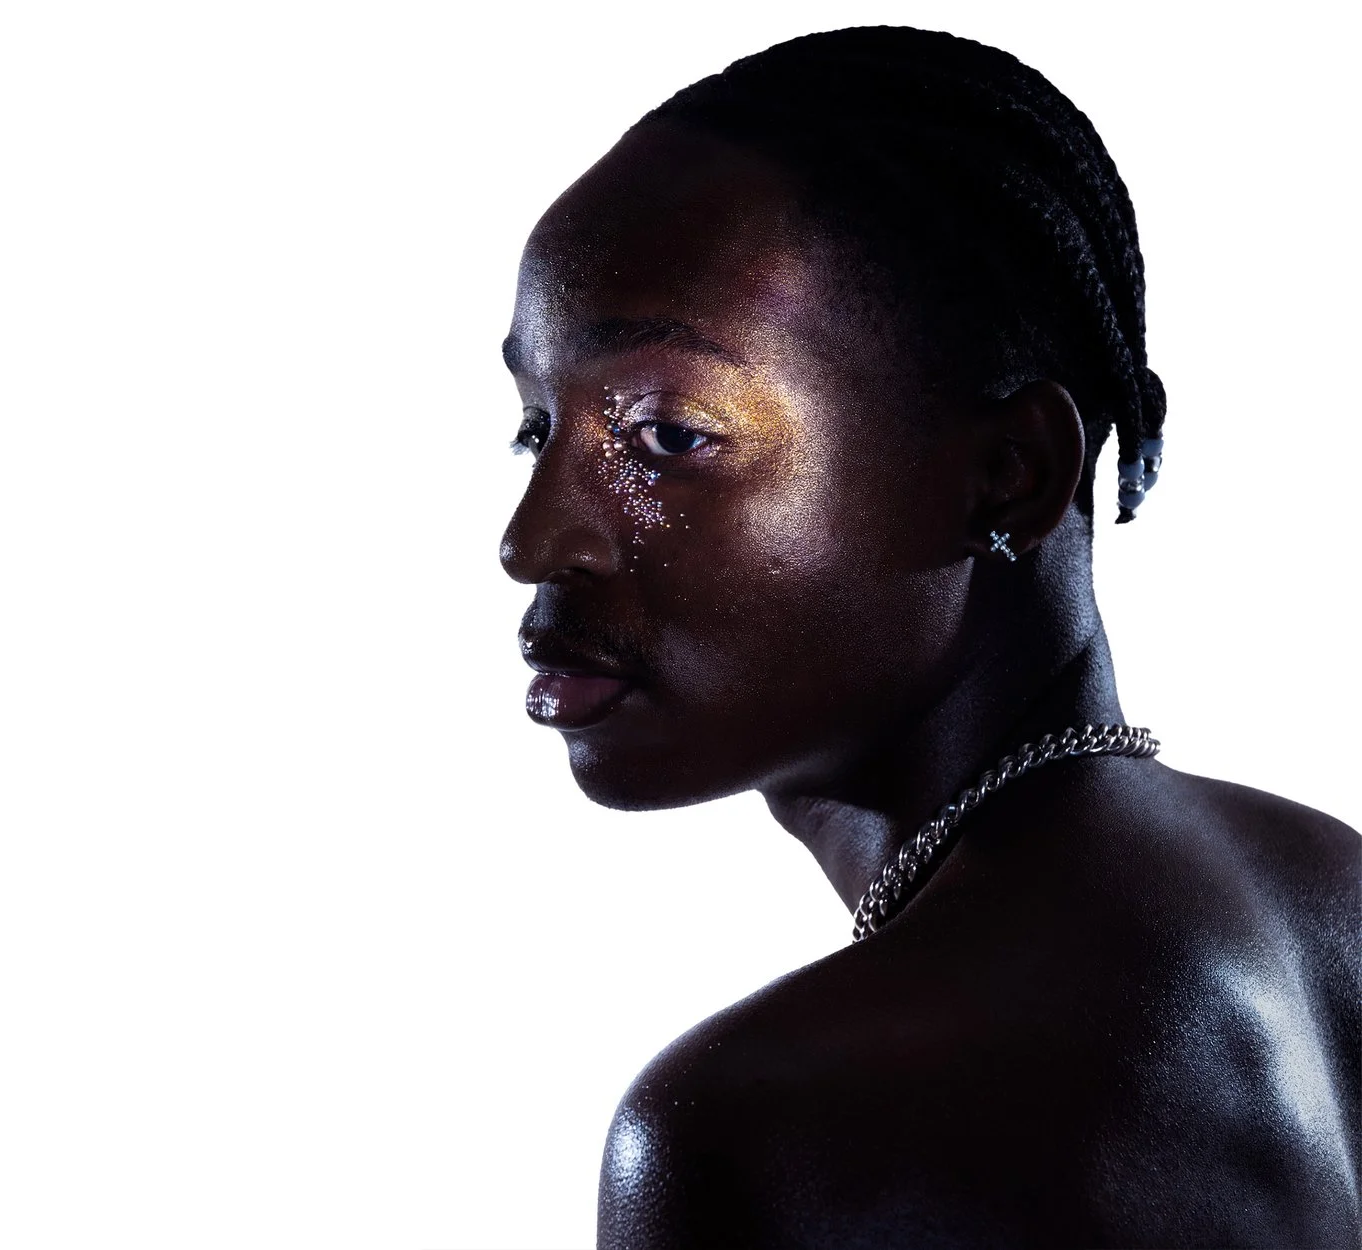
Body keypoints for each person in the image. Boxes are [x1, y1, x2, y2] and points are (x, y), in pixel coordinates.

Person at [498, 26, 1362, 1245]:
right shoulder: (1333, 899)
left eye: (666, 435)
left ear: (1006, 476)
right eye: (537, 429)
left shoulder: (762, 1129)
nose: (535, 542)